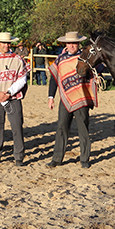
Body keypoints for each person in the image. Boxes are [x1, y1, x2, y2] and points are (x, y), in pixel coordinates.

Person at [46, 32, 98, 169]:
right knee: (61, 128)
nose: (71, 45)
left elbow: (95, 70)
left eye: (74, 43)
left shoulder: (85, 58)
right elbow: (54, 78)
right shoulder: (60, 59)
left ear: (78, 44)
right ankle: (56, 159)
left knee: (83, 129)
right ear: (65, 44)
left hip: (81, 98)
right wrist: (51, 97)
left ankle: (84, 159)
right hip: (65, 98)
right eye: (69, 43)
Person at [0, 32, 30, 166]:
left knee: (16, 126)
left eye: (8, 43)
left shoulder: (17, 59)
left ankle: (19, 156)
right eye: (3, 43)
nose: (6, 45)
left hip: (13, 98)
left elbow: (22, 79)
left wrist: (9, 92)